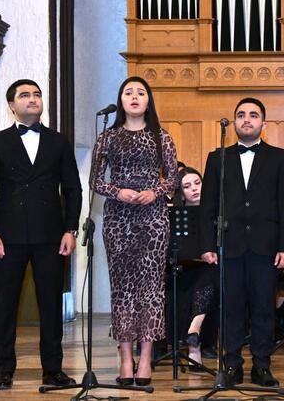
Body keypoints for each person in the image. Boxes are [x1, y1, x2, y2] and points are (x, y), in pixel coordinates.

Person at [0, 79, 82, 390]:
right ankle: (4, 370)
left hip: (51, 235)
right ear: (12, 105)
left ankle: (53, 370)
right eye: (25, 95)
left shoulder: (59, 141)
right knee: (5, 304)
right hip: (7, 237)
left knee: (50, 305)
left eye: (37, 94)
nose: (33, 99)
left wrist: (71, 228)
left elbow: (73, 189)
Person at [200, 97, 284, 387]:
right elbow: (207, 207)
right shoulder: (218, 158)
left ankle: (262, 366)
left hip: (266, 247)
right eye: (241, 115)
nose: (246, 119)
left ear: (263, 124)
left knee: (263, 309)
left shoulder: (280, 157)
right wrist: (206, 245)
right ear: (234, 123)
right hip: (228, 245)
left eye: (253, 115)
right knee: (230, 308)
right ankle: (232, 365)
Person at [92, 76, 178, 386]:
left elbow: (173, 179)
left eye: (140, 92)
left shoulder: (161, 136)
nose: (134, 97)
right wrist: (118, 192)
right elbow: (96, 182)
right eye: (128, 92)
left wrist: (155, 191)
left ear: (148, 100)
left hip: (153, 217)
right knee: (123, 289)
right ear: (121, 99)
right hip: (118, 218)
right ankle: (125, 358)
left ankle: (145, 359)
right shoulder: (108, 137)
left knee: (151, 289)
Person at [172, 167, 218, 369]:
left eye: (198, 183)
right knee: (196, 281)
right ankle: (194, 341)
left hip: (210, 268)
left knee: (208, 277)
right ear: (181, 193)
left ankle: (194, 339)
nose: (194, 189)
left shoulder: (217, 212)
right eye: (187, 186)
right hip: (183, 269)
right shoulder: (174, 215)